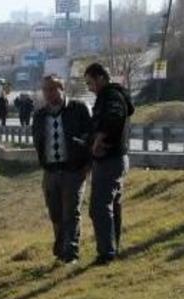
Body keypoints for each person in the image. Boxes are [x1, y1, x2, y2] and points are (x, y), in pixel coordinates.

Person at [32, 75, 92, 264]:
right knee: (56, 214)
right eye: (45, 90)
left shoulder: (78, 109)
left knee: (71, 213)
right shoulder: (40, 115)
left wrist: (86, 165)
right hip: (50, 172)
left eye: (52, 89)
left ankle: (71, 253)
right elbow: (37, 141)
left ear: (61, 89)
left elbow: (90, 137)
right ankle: (60, 249)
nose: (48, 94)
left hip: (73, 170)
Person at [84, 62, 134, 265]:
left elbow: (113, 117)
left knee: (99, 207)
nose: (89, 88)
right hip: (114, 159)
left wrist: (99, 139)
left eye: (90, 83)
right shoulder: (113, 95)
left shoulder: (111, 96)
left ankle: (107, 253)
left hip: (110, 160)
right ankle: (113, 248)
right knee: (112, 206)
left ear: (101, 78)